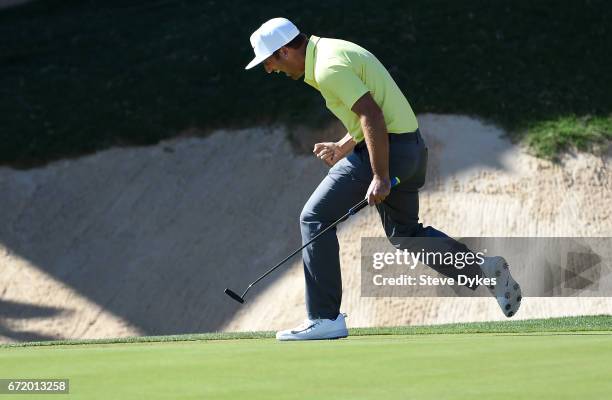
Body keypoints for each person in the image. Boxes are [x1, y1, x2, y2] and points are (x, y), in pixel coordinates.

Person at [245, 18, 521, 341]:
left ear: (284, 51)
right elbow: (372, 111)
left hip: (388, 152)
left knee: (314, 217)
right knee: (405, 233)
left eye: (268, 62)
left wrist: (380, 175)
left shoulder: (327, 68)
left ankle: (324, 318)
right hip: (410, 149)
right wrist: (342, 146)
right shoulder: (331, 51)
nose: (269, 70)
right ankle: (483, 270)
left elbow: (372, 116)